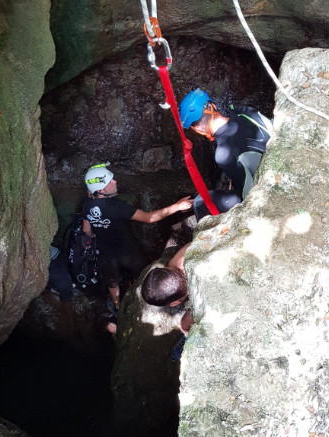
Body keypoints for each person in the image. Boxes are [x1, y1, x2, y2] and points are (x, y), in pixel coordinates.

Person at [81, 163, 194, 311]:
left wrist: (99, 231)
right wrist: (177, 207)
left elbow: (86, 230)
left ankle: (117, 306)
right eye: (110, 181)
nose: (115, 182)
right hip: (128, 250)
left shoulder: (87, 205)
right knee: (141, 274)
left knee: (112, 282)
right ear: (102, 189)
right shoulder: (118, 207)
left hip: (106, 253)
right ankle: (140, 302)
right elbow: (149, 218)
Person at [179, 88, 271, 220]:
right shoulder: (245, 112)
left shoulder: (223, 155)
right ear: (213, 106)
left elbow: (249, 192)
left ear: (197, 128)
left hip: (264, 191)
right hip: (278, 162)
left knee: (200, 202)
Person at [141, 242, 195, 336]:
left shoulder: (200, 295)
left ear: (175, 303)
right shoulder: (180, 259)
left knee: (184, 327)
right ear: (167, 269)